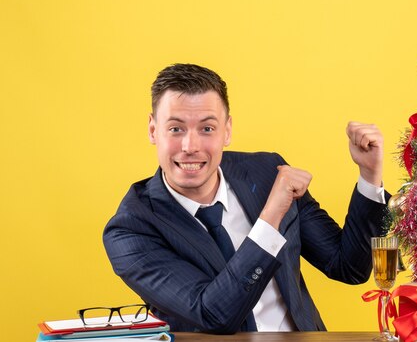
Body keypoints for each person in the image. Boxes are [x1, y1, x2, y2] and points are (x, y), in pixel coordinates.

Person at [103, 63, 390, 334]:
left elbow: (348, 267)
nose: (190, 146)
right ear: (153, 130)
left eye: (207, 129)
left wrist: (369, 174)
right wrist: (271, 216)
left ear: (226, 131)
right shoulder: (131, 228)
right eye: (176, 129)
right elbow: (214, 315)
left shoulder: (267, 173)